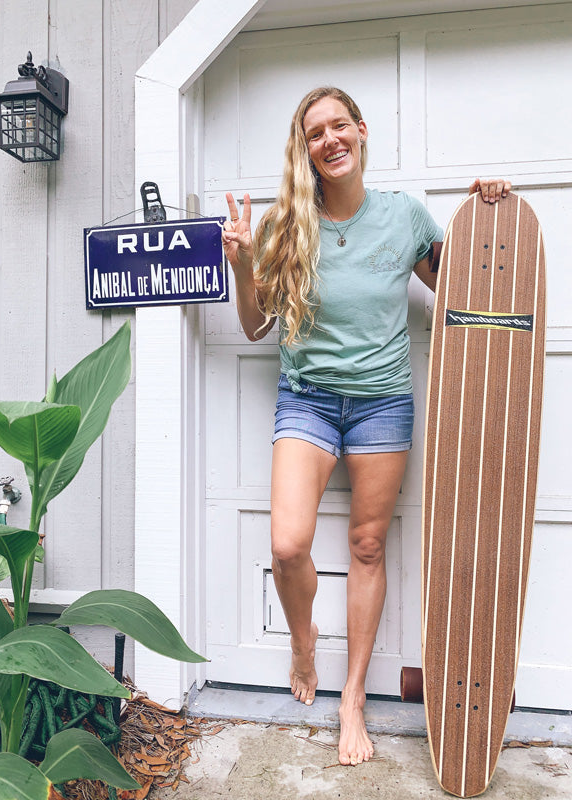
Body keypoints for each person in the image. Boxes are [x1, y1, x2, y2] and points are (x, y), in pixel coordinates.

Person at [222, 86, 511, 767]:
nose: (330, 139)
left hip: (383, 403)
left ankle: (352, 697)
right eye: (315, 132)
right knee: (288, 545)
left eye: (339, 125)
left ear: (361, 130)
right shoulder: (287, 224)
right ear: (306, 149)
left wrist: (486, 214)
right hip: (308, 400)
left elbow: (467, 287)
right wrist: (241, 263)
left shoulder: (403, 216)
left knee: (368, 545)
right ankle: (303, 643)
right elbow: (256, 326)